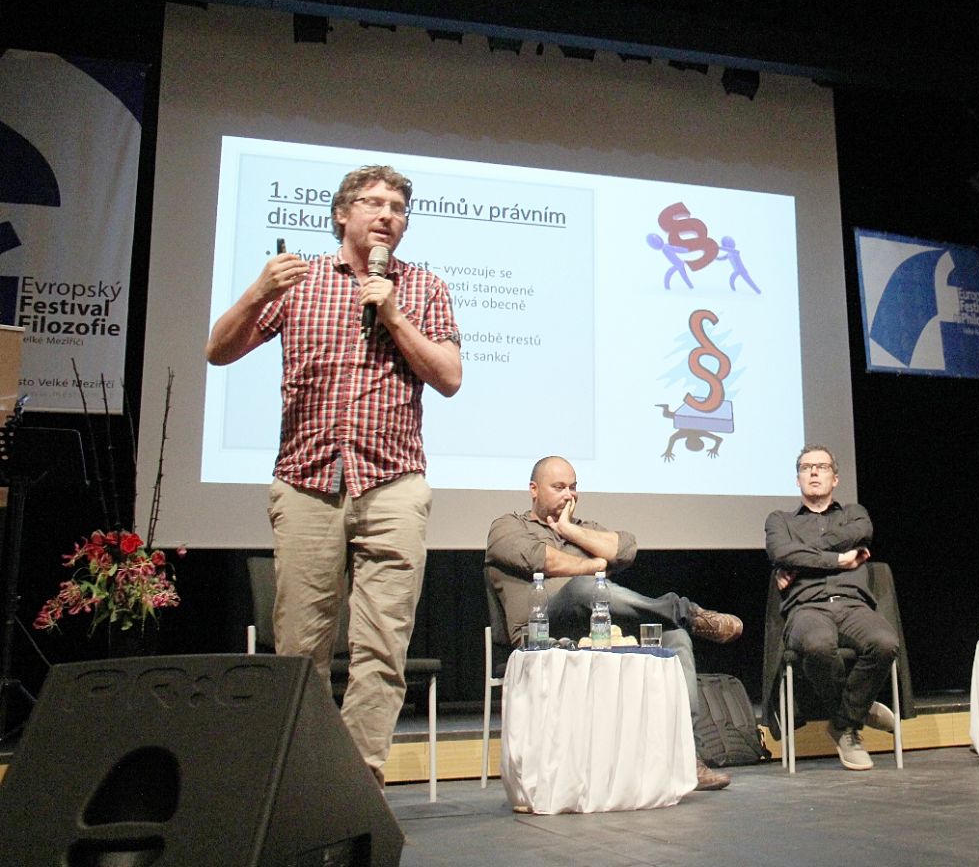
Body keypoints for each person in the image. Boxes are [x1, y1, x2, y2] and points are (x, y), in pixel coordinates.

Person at [205, 164, 462, 783]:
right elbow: (218, 350)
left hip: (393, 482)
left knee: (383, 645)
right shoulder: (300, 281)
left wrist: (394, 315)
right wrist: (256, 292)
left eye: (397, 207)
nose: (387, 215)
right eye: (373, 203)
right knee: (301, 645)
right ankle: (305, 777)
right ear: (342, 215)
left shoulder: (424, 286)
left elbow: (450, 377)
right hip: (307, 480)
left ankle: (356, 780)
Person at [486, 455, 744, 791]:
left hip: (600, 633)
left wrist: (569, 529)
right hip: (540, 633)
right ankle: (687, 611)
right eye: (559, 487)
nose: (568, 495)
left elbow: (625, 548)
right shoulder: (508, 526)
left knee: (674, 636)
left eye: (573, 487)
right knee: (584, 587)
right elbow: (542, 559)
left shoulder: (583, 529)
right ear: (534, 489)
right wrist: (593, 565)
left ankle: (688, 755)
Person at [765, 445, 898, 771]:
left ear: (835, 478)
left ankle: (842, 721)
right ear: (797, 479)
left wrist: (800, 556)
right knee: (817, 645)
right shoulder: (780, 520)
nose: (813, 472)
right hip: (807, 608)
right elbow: (780, 552)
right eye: (806, 467)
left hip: (853, 605)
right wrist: (838, 559)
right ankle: (857, 712)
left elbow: (861, 533)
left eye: (821, 467)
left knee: (884, 642)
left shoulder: (854, 514)